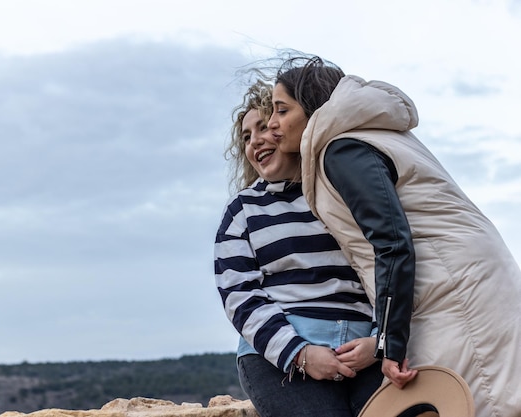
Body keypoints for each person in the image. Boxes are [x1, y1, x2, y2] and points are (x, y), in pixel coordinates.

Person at [265, 53, 521, 417]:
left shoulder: (342, 149)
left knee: (484, 404)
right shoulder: (370, 135)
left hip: (454, 292)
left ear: (312, 109)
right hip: (463, 282)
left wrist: (389, 344)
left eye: (281, 110)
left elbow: (393, 242)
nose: (272, 123)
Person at [213, 79, 383, 417]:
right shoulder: (242, 210)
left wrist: (378, 343)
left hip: (365, 353)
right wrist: (300, 354)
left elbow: (384, 267)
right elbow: (239, 295)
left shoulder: (341, 192)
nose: (255, 140)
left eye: (264, 127)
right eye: (246, 137)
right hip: (281, 359)